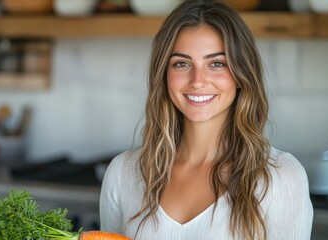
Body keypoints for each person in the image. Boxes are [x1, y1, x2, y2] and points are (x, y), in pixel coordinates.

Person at [99, 0, 313, 239]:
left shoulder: (281, 177)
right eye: (181, 63)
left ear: (241, 75)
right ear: (164, 75)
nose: (198, 80)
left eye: (217, 64)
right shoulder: (122, 173)